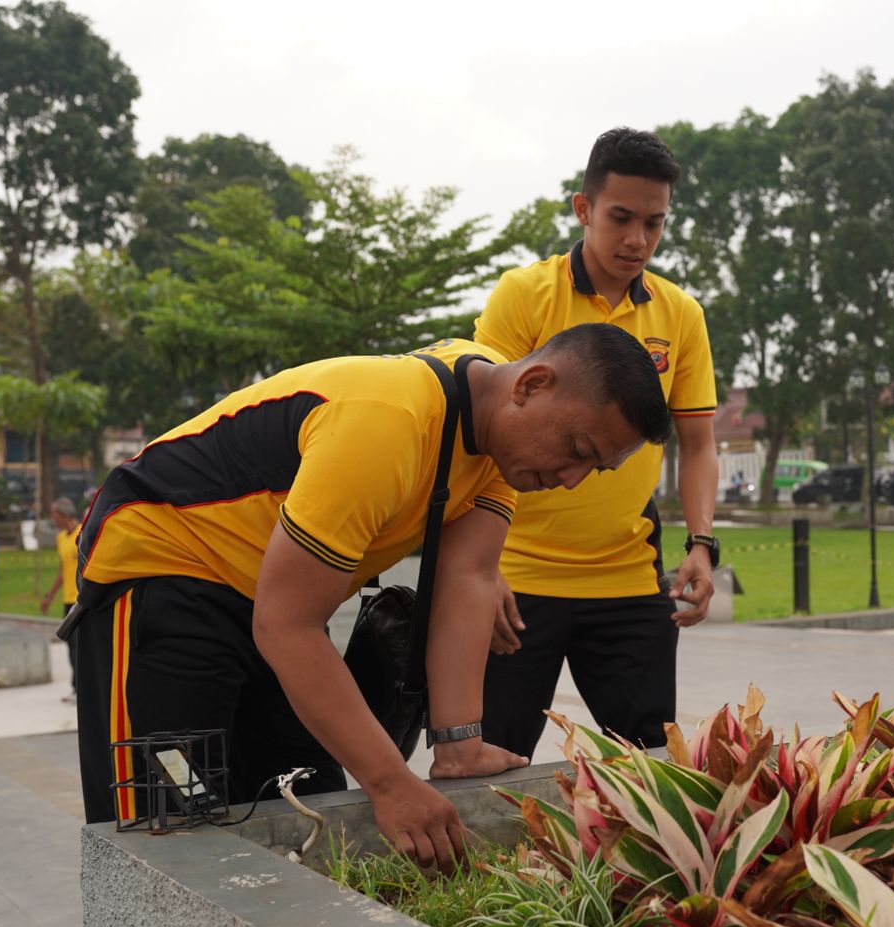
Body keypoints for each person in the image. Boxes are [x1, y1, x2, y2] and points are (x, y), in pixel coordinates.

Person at [71, 327, 672, 870]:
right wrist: (389, 784)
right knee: (169, 819)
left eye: (593, 470)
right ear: (532, 384)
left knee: (309, 802)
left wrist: (458, 749)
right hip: (162, 573)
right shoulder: (387, 424)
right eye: (578, 449)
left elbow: (467, 579)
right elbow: (288, 627)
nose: (570, 478)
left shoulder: (498, 430)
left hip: (263, 596)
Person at [475, 128, 719, 759]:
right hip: (516, 579)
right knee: (490, 766)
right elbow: (481, 432)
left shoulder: (680, 316)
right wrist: (480, 568)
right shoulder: (524, 297)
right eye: (621, 218)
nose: (638, 240)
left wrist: (700, 543)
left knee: (648, 772)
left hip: (627, 580)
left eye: (655, 223)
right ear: (583, 209)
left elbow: (698, 444)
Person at [40, 497, 81, 703]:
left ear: (63, 514)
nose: (52, 518)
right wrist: (49, 595)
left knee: (80, 646)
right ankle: (76, 689)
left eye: (54, 514)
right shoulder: (60, 538)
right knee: (71, 646)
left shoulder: (83, 532)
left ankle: (81, 689)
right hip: (67, 600)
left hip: (82, 600)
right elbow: (62, 570)